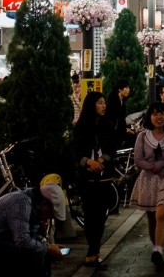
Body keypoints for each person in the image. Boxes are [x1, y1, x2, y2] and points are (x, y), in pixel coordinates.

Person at [132, 101, 164, 270]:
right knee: (151, 217)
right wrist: (151, 167)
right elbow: (138, 159)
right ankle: (157, 251)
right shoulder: (142, 136)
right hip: (147, 181)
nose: (158, 117)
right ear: (149, 116)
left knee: (161, 214)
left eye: (161, 113)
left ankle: (158, 249)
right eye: (154, 114)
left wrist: (162, 164)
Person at [74, 92, 117, 269]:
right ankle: (92, 252)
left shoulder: (107, 124)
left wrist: (101, 160)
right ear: (92, 104)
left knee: (100, 215)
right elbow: (74, 151)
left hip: (104, 176)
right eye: (100, 103)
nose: (103, 106)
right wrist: (88, 162)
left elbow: (113, 147)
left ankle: (94, 252)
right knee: (89, 215)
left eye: (104, 103)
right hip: (86, 178)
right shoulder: (80, 126)